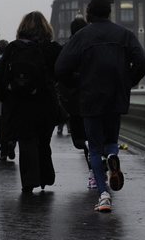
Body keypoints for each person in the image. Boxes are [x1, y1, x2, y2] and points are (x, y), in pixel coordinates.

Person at [55, 0, 145, 214]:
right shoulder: (124, 35)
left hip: (90, 98)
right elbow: (143, 62)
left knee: (95, 148)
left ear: (89, 14)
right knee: (111, 140)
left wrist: (78, 83)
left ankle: (104, 195)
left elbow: (60, 69)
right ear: (109, 12)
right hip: (116, 97)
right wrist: (127, 82)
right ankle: (114, 156)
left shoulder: (82, 36)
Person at [0, 11, 62, 194]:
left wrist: (5, 98)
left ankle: (29, 181)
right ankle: (45, 176)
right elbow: (63, 74)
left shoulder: (14, 48)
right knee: (43, 141)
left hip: (19, 104)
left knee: (26, 141)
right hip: (45, 103)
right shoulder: (53, 48)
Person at [57, 15, 94, 188]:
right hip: (95, 96)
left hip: (74, 101)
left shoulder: (67, 48)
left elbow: (60, 72)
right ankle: (101, 161)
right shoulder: (93, 46)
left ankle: (92, 162)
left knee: (81, 139)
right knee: (96, 134)